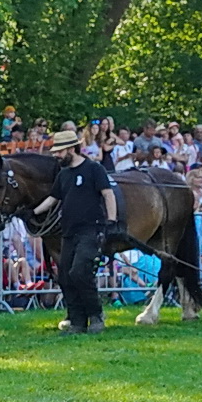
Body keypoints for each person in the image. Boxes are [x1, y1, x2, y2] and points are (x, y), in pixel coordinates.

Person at [29, 125, 115, 334]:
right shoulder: (64, 174)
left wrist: (112, 220)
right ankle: (77, 321)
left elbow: (108, 194)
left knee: (80, 272)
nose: (57, 155)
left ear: (71, 149)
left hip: (90, 229)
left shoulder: (94, 169)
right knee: (66, 275)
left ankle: (95, 316)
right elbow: (52, 198)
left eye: (59, 151)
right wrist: (32, 212)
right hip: (68, 232)